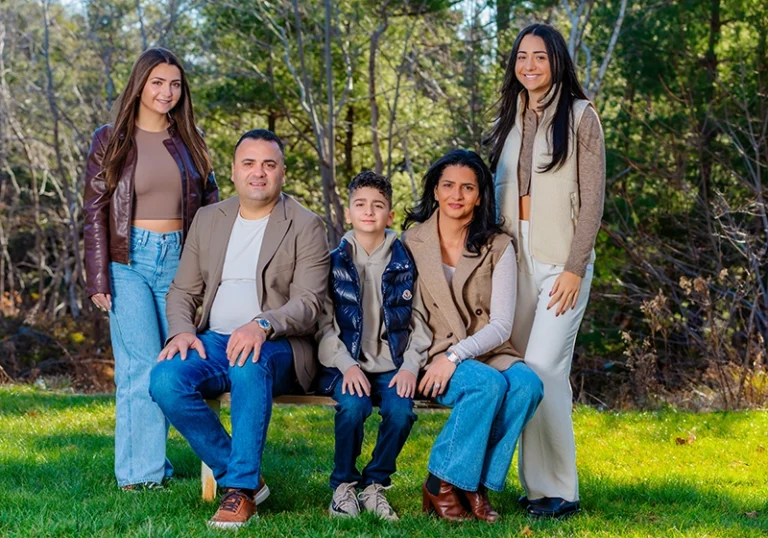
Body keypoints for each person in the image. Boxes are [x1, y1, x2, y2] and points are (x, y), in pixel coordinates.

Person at [148, 129, 330, 529]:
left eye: (269, 164)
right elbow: (182, 290)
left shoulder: (305, 224)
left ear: (282, 172)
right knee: (164, 379)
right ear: (234, 171)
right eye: (249, 163)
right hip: (213, 341)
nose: (258, 173)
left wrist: (263, 324)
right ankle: (239, 474)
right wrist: (181, 331)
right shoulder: (210, 218)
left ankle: (239, 492)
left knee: (250, 361)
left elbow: (309, 303)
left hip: (281, 346)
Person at [83, 47, 218, 491]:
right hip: (128, 261)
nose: (167, 91)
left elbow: (212, 206)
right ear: (140, 84)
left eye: (175, 84)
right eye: (158, 82)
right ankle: (139, 476)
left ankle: (152, 465)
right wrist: (97, 274)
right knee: (139, 368)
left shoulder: (190, 140)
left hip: (181, 261)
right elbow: (96, 210)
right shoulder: (110, 138)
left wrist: (211, 271)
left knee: (168, 368)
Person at [487, 22, 606, 519]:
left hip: (562, 263)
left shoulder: (581, 116)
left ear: (557, 61)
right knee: (530, 373)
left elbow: (594, 199)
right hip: (517, 261)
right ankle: (539, 488)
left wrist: (576, 267)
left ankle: (562, 489)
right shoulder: (510, 120)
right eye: (521, 57)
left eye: (539, 56)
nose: (529, 65)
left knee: (544, 367)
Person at [402, 149, 543, 523]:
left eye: (468, 188)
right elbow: (406, 315)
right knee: (486, 385)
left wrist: (456, 357)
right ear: (435, 190)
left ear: (480, 195)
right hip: (431, 353)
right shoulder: (410, 243)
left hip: (486, 348)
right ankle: (447, 484)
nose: (456, 195)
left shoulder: (498, 245)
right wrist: (437, 359)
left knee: (528, 385)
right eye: (448, 185)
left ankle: (465, 481)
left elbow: (500, 325)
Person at [315, 171, 431, 521]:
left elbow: (422, 319)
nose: (369, 212)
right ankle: (343, 486)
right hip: (347, 363)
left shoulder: (406, 261)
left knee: (399, 412)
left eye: (378, 205)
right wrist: (346, 365)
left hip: (394, 363)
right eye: (361, 205)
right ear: (348, 212)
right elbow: (322, 324)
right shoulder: (333, 261)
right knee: (352, 408)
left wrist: (411, 365)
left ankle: (375, 485)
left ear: (390, 215)